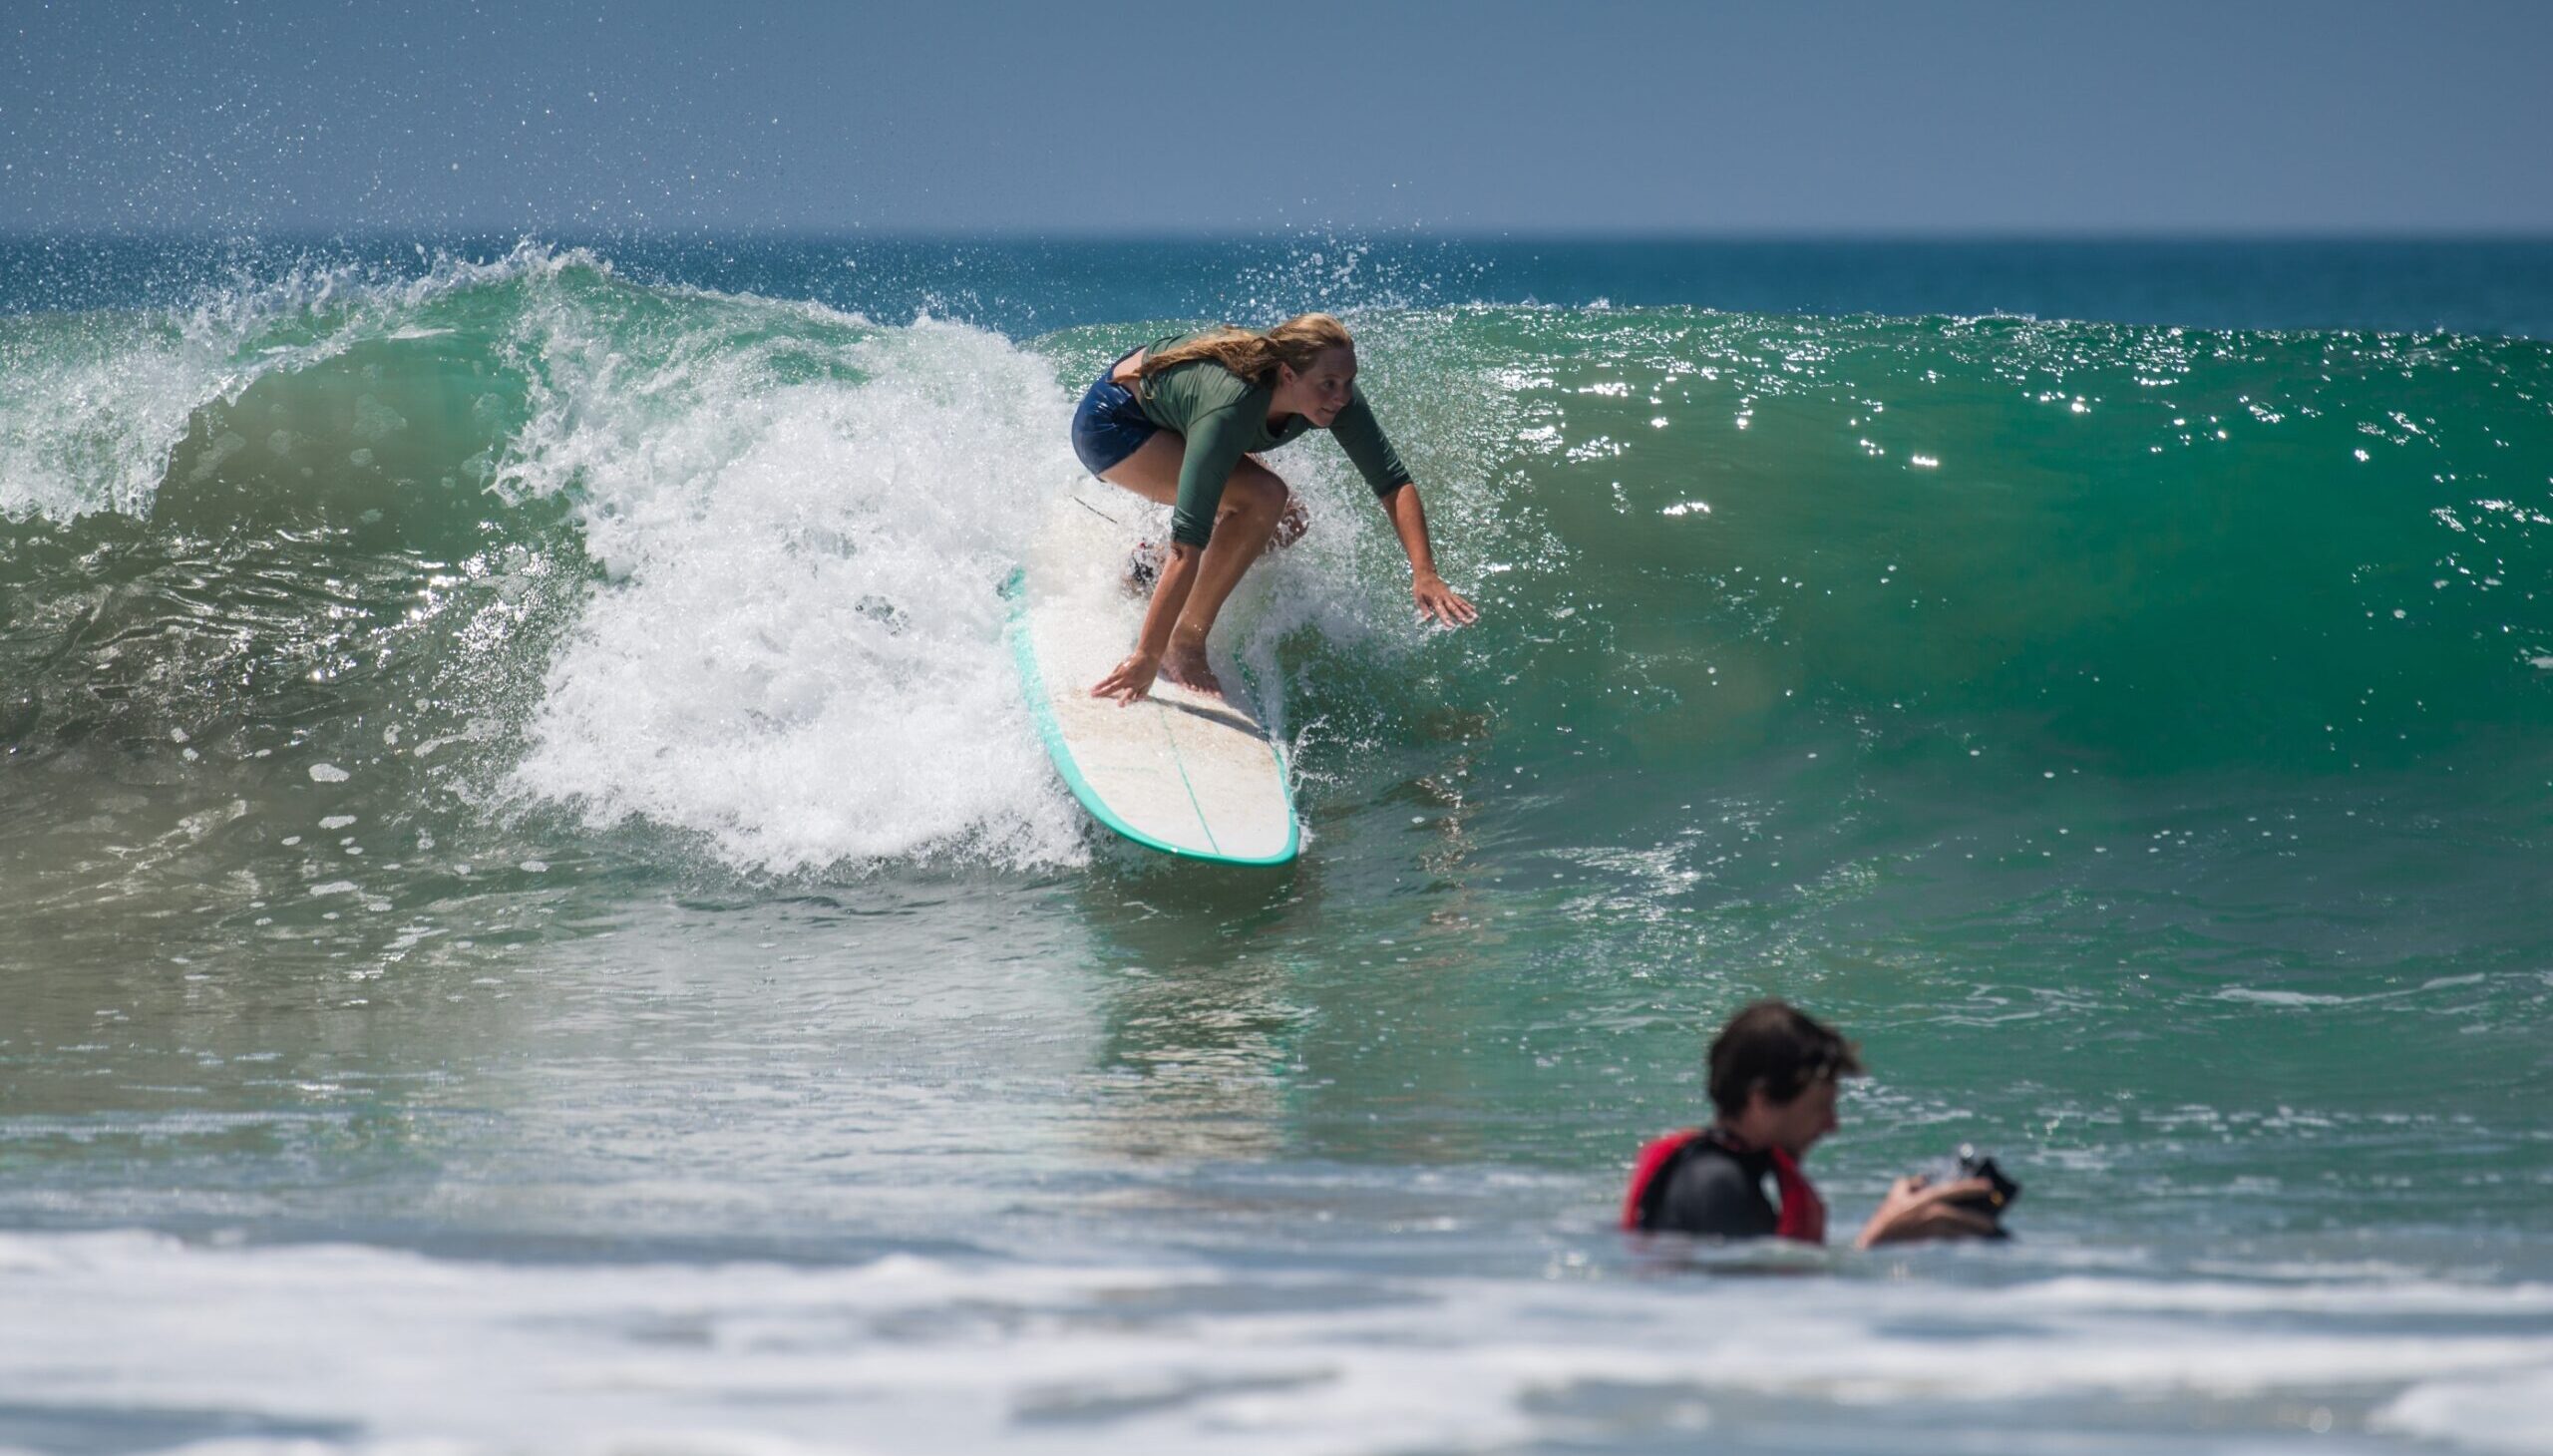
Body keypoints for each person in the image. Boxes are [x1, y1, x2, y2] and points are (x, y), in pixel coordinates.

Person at [1068, 313, 1478, 704]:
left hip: (1179, 405)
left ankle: (1145, 568)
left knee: (1288, 519)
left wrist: (1425, 572)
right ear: (1288, 375)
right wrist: (1146, 656)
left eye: (1349, 381)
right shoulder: (1230, 408)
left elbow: (1393, 482)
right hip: (1115, 423)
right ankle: (1185, 641)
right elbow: (1186, 545)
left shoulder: (1333, 400)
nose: (1341, 396)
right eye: (1328, 383)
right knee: (1263, 496)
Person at [1623, 1000, 2008, 1248]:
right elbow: (1760, 1321)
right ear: (1761, 1101)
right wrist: (1879, 1237)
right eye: (1820, 1107)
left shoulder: (1720, 1173)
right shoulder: (1717, 1184)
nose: (1831, 1126)